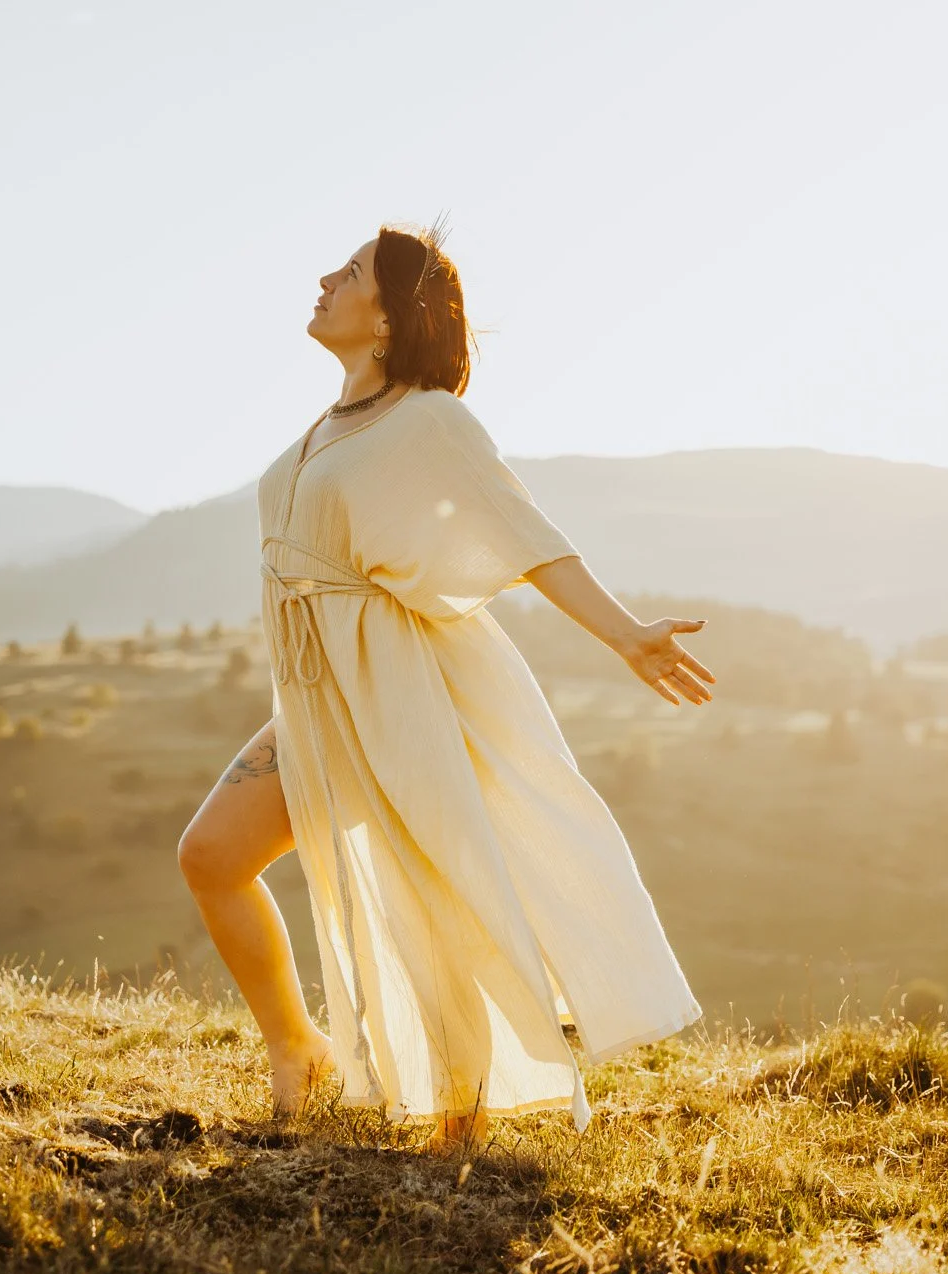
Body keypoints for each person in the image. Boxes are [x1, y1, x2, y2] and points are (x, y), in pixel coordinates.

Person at [177, 222, 713, 1155]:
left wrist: (624, 632)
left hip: (394, 690)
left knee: (436, 887)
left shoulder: (428, 419)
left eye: (346, 274)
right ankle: (295, 1047)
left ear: (388, 314)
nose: (323, 280)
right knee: (211, 856)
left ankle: (463, 1113)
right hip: (314, 694)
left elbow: (522, 528)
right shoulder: (331, 423)